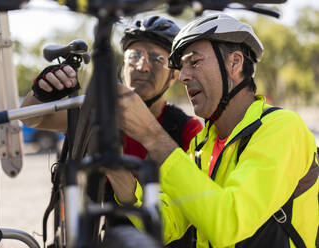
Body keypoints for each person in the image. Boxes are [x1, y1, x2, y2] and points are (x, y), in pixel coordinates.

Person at [116, 13, 319, 247]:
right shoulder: (201, 146)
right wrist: (118, 176)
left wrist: (152, 135)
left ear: (234, 62)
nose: (183, 76)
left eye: (194, 62)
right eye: (182, 67)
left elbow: (230, 222)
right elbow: (166, 227)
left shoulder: (282, 128)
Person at [21, 16, 203, 247]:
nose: (142, 66)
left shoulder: (188, 129)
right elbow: (30, 117)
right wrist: (42, 90)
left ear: (173, 75)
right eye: (134, 56)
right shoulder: (96, 116)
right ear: (123, 65)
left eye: (157, 59)